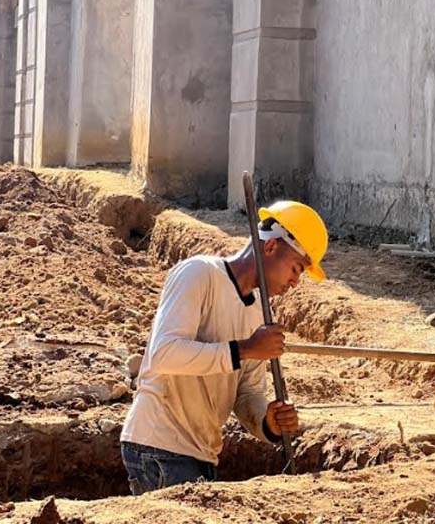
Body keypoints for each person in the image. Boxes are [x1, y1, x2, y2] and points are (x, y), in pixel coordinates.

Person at [120, 201, 328, 493]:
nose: (295, 281)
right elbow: (163, 354)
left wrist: (268, 421)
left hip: (201, 454)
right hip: (159, 446)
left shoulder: (258, 313)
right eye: (296, 267)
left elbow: (247, 392)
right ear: (270, 248)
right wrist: (244, 349)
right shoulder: (199, 274)